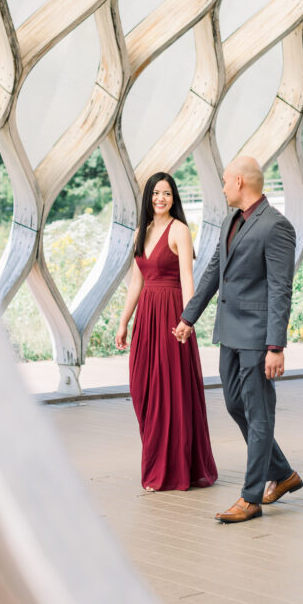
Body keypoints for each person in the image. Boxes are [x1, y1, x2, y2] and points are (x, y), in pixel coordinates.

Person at [173, 156, 303, 523]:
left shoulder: (277, 227)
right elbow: (216, 270)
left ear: (241, 182)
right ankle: (282, 472)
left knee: (259, 414)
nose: (224, 187)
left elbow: (281, 290)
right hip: (229, 333)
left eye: (227, 181)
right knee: (234, 405)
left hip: (258, 337)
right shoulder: (231, 220)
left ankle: (251, 498)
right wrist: (188, 317)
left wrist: (275, 346)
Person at [115, 171, 217, 492]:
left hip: (172, 316)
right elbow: (136, 281)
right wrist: (123, 321)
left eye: (168, 194)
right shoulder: (140, 232)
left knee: (169, 392)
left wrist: (188, 320)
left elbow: (188, 277)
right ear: (149, 197)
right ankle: (159, 460)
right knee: (142, 387)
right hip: (147, 317)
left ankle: (168, 470)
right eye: (157, 193)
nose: (161, 198)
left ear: (174, 199)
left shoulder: (180, 230)